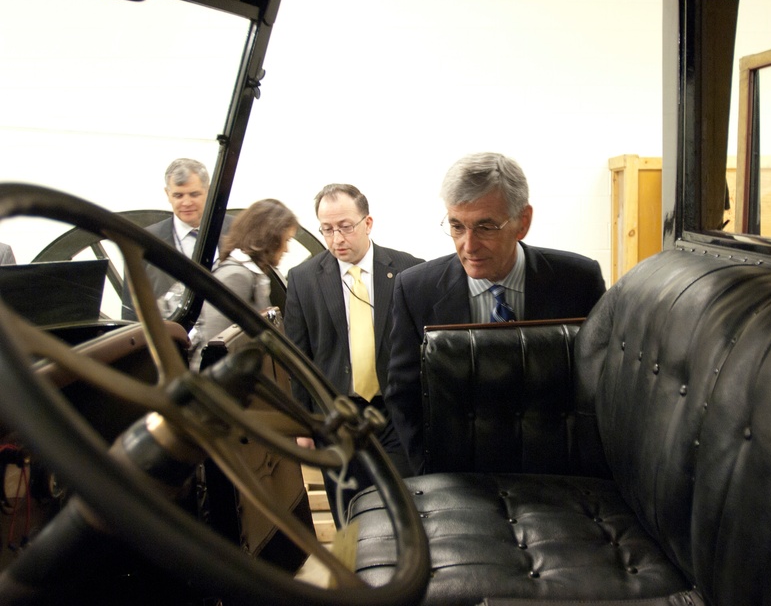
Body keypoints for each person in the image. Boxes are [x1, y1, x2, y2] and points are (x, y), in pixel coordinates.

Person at [386, 152, 607, 473]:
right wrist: (430, 473)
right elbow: (404, 396)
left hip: (558, 474)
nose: (468, 245)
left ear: (523, 222)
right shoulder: (416, 290)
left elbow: (599, 389)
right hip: (459, 476)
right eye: (456, 226)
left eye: (485, 227)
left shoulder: (578, 281)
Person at [284, 183, 424, 507]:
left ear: (368, 223)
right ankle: (349, 560)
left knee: (405, 506)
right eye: (327, 229)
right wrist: (302, 423)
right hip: (337, 417)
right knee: (349, 513)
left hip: (395, 412)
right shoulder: (303, 279)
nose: (337, 239)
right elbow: (298, 357)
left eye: (345, 227)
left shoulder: (410, 271)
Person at [189, 199, 298, 370]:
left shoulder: (250, 274)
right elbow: (217, 346)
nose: (287, 249)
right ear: (270, 238)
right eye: (287, 240)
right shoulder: (236, 276)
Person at [123, 158, 233, 319]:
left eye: (194, 194)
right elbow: (131, 311)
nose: (186, 202)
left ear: (209, 191)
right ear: (167, 194)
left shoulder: (237, 231)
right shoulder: (144, 241)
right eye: (178, 195)